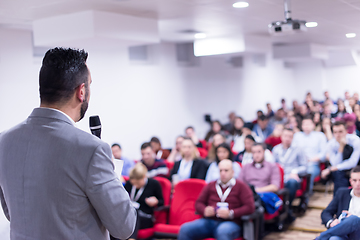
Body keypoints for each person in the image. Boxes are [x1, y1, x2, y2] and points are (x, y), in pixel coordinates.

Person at [0, 48, 136, 239]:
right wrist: (112, 172)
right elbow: (124, 227)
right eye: (90, 85)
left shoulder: (4, 141)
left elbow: (12, 213)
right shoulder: (92, 149)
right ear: (81, 91)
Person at [178, 160, 255, 240]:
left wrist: (231, 213)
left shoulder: (241, 187)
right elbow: (198, 203)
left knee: (222, 231)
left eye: (226, 170)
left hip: (231, 222)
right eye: (220, 170)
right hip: (210, 221)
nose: (223, 173)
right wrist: (204, 210)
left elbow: (250, 207)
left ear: (232, 172)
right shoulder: (211, 185)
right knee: (185, 229)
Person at [315, 166, 360, 240]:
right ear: (350, 181)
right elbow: (326, 213)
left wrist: (353, 219)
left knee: (354, 219)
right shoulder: (342, 193)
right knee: (334, 239)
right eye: (355, 180)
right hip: (342, 233)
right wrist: (331, 222)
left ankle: (320, 238)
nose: (358, 184)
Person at [121, 163, 164, 240]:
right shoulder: (130, 184)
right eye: (134, 183)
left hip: (146, 216)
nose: (136, 186)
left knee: (135, 212)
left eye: (138, 183)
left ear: (144, 177)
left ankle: (132, 238)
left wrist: (156, 201)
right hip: (129, 214)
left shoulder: (154, 184)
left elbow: (162, 202)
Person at [321, 121, 360, 196]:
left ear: (346, 131)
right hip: (339, 171)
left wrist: (331, 169)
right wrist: (341, 148)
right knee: (338, 174)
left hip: (356, 168)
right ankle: (340, 200)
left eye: (340, 131)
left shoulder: (355, 140)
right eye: (335, 132)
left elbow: (353, 162)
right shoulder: (331, 144)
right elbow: (335, 163)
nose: (338, 135)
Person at [293, 117, 327, 194]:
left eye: (308, 124)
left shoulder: (320, 136)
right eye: (304, 124)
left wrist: (311, 159)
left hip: (312, 164)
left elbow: (323, 154)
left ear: (313, 125)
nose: (306, 126)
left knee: (308, 173)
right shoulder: (297, 136)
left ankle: (306, 197)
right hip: (297, 164)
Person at [272, 128, 307, 205]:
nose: (287, 138)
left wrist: (294, 171)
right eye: (285, 136)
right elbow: (272, 166)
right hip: (279, 177)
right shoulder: (276, 149)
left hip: (291, 177)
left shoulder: (298, 149)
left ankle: (287, 206)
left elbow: (304, 167)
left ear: (293, 138)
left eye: (290, 136)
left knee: (292, 182)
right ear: (281, 136)